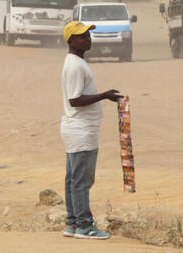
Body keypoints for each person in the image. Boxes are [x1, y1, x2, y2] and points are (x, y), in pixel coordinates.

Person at [60, 21, 122, 240]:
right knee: (81, 180)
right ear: (70, 41)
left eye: (88, 34)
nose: (87, 38)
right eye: (81, 36)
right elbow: (75, 99)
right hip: (81, 130)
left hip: (78, 129)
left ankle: (73, 223)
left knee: (73, 179)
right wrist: (104, 95)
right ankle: (84, 226)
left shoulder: (75, 62)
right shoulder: (76, 65)